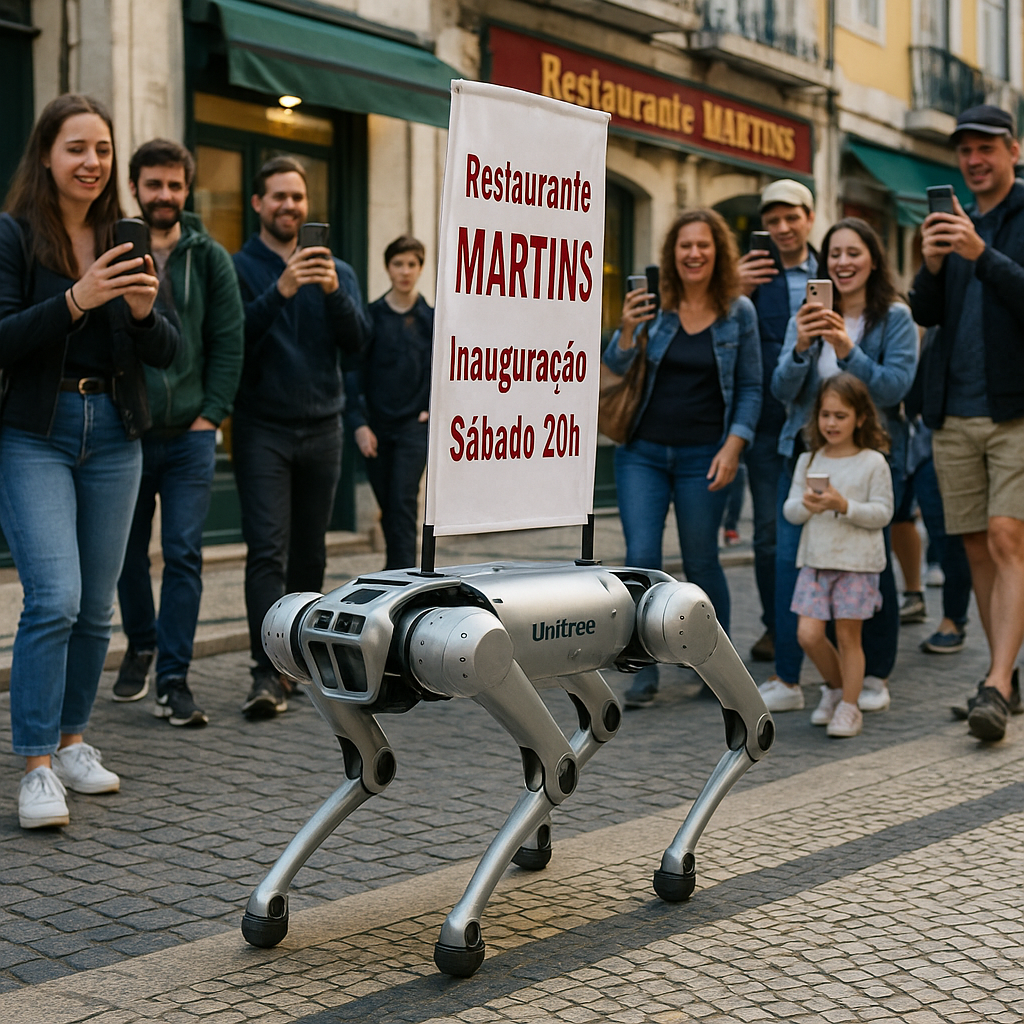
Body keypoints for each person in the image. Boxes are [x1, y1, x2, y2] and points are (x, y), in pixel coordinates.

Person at [0, 94, 178, 828]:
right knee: (55, 599)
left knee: (97, 607)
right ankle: (37, 765)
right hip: (35, 432)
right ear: (47, 155)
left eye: (102, 149)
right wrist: (77, 298)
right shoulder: (15, 235)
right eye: (76, 148)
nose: (92, 162)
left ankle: (74, 739)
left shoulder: (124, 237)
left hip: (114, 432)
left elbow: (167, 348)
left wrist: (141, 311)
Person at [603, 208, 762, 708]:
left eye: (703, 245)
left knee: (701, 560)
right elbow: (612, 367)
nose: (694, 253)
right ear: (672, 253)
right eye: (685, 245)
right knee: (641, 559)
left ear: (718, 252)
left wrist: (734, 445)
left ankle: (717, 664)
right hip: (642, 453)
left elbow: (751, 387)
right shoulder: (656, 306)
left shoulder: (739, 312)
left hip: (704, 456)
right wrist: (626, 330)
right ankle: (643, 667)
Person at [113, 139, 244, 726]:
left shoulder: (210, 257)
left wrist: (211, 413)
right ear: (134, 187)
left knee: (184, 553)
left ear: (186, 189)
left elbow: (228, 340)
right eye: (153, 184)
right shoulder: (114, 249)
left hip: (191, 433)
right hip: (129, 431)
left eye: (174, 184)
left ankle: (173, 678)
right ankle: (142, 643)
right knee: (125, 553)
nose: (164, 195)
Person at [232, 156, 367, 719]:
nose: (289, 206)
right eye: (278, 196)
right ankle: (266, 672)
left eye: (297, 197)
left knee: (310, 553)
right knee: (267, 550)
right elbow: (234, 341)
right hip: (262, 427)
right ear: (258, 204)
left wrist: (333, 292)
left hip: (323, 427)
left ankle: (299, 660)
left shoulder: (338, 270)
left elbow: (358, 343)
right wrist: (282, 289)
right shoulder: (239, 267)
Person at [765, 217, 917, 716]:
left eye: (854, 252)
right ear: (823, 262)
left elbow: (893, 388)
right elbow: (781, 390)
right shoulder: (806, 315)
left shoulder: (893, 317)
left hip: (870, 457)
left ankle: (873, 674)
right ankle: (790, 678)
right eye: (834, 254)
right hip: (808, 455)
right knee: (793, 564)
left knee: (869, 563)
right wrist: (802, 346)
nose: (843, 262)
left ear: (873, 259)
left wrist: (847, 350)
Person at [910, 104, 1024, 740]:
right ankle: (1003, 671)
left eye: (986, 148)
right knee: (977, 545)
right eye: (965, 150)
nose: (974, 160)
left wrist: (983, 255)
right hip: (953, 410)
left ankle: (997, 683)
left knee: (1008, 538)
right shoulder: (950, 221)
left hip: (1015, 410)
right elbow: (926, 314)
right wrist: (931, 266)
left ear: (1014, 150)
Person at [784, 374, 894, 737]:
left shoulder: (873, 462)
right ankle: (835, 689)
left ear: (860, 418)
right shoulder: (809, 459)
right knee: (808, 634)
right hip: (816, 562)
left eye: (840, 416)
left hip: (857, 564)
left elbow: (883, 513)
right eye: (825, 415)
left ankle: (850, 706)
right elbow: (790, 511)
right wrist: (808, 505)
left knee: (849, 638)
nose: (831, 423)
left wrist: (844, 505)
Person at [737, 180, 818, 664]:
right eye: (773, 221)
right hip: (767, 424)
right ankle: (776, 624)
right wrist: (735, 290)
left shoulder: (831, 270)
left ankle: (828, 624)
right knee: (768, 533)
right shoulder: (748, 277)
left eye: (792, 217)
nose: (783, 228)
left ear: (810, 218)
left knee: (824, 527)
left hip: (823, 424)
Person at [346, 236, 433, 570]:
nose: (405, 271)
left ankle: (404, 576)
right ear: (387, 267)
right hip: (377, 427)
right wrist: (359, 424)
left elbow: (448, 369)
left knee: (402, 500)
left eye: (412, 264)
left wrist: (434, 408)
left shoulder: (431, 319)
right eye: (398, 264)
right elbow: (354, 372)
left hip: (414, 426)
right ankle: (395, 570)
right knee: (388, 503)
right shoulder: (371, 317)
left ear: (420, 268)